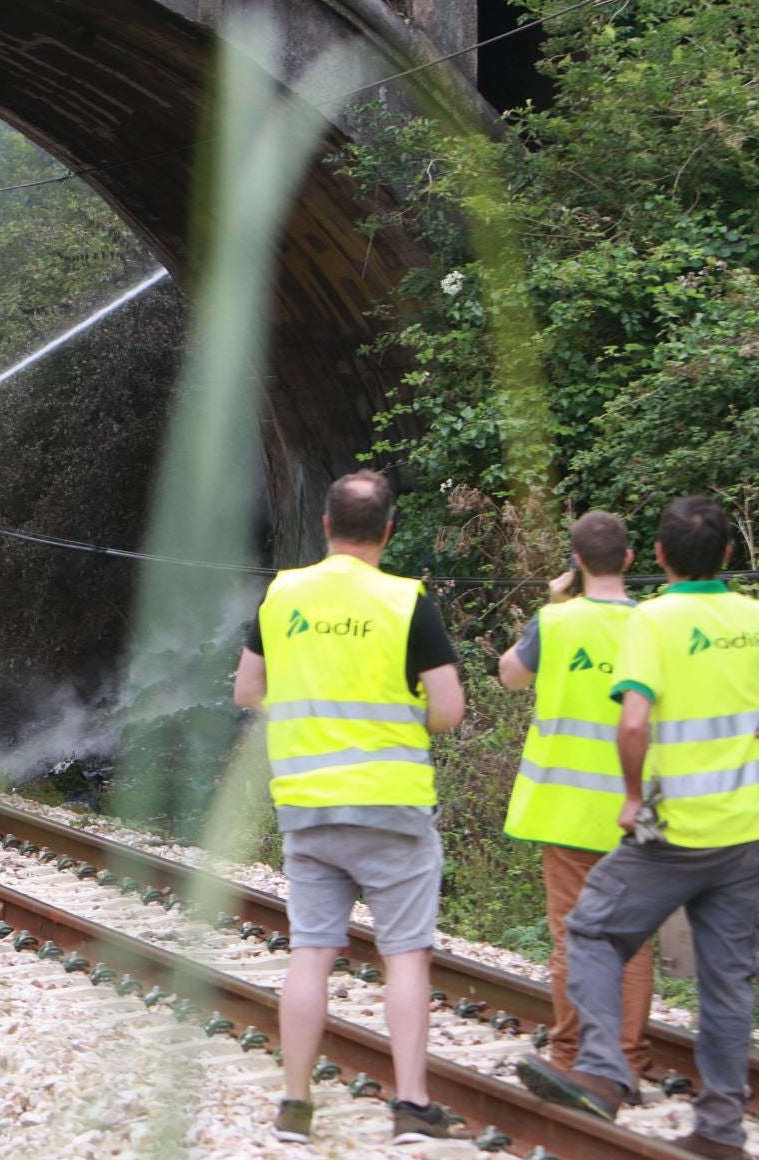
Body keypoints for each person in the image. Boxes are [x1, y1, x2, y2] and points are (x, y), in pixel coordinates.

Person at [518, 496, 759, 1160]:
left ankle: (602, 1071)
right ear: (730, 557)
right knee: (727, 979)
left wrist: (631, 796)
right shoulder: (753, 620)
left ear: (657, 556)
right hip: (743, 833)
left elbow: (633, 722)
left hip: (676, 829)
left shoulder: (652, 621)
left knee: (592, 929)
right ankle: (717, 1129)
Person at [231, 470, 465, 1145]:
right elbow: (447, 709)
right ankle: (411, 1107)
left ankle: (296, 1106)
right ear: (388, 532)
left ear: (326, 527)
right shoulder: (405, 601)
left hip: (307, 807)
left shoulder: (283, 595)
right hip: (392, 807)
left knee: (311, 951)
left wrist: (306, 709)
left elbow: (248, 690)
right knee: (406, 955)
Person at [497, 511, 654, 1091]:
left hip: (564, 811)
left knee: (573, 937)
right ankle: (628, 1064)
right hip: (634, 814)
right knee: (631, 942)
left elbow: (509, 675)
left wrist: (553, 600)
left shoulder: (555, 623)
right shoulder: (652, 627)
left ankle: (570, 1054)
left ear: (577, 561)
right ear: (630, 560)